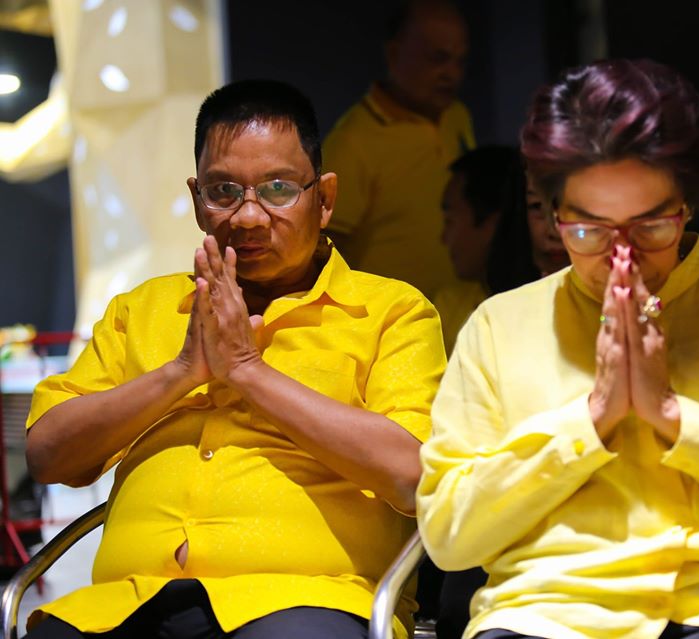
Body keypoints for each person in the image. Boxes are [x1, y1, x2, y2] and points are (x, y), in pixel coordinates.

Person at [417, 59, 699, 639]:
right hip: (548, 612)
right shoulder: (499, 326)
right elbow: (449, 536)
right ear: (554, 216)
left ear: (688, 205)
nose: (621, 258)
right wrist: (592, 419)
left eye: (651, 228)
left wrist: (676, 417)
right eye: (590, 232)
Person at [23, 80, 445, 639]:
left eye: (277, 189)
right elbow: (48, 455)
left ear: (325, 199)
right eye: (223, 191)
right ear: (197, 200)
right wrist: (180, 373)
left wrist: (248, 371)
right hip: (125, 604)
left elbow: (414, 475)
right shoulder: (143, 309)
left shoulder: (390, 311)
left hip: (306, 600)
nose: (247, 217)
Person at [322, 0, 473, 298]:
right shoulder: (353, 141)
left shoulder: (457, 116)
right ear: (394, 54)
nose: (452, 73)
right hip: (390, 321)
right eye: (438, 58)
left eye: (460, 61)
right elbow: (326, 249)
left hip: (456, 317)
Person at [434, 146, 541, 356]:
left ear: (493, 223)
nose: (443, 239)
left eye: (450, 221)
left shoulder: (551, 304)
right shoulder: (447, 307)